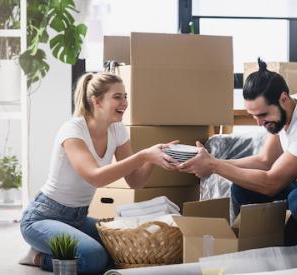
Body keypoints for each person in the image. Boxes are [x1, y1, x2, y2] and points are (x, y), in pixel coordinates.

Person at [178, 58, 297, 245]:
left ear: (283, 99)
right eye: (254, 116)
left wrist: (214, 165)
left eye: (263, 114)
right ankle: (254, 245)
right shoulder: (287, 111)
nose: (259, 123)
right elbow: (265, 161)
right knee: (243, 186)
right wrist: (210, 162)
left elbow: (271, 184)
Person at [19, 72, 178, 273]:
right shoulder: (73, 131)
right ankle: (38, 257)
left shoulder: (117, 130)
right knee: (94, 258)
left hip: (78, 218)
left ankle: (61, 247)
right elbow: (95, 177)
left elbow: (135, 181)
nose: (124, 102)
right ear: (97, 101)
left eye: (125, 96)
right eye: (117, 97)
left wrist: (155, 158)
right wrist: (144, 156)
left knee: (123, 252)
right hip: (43, 217)